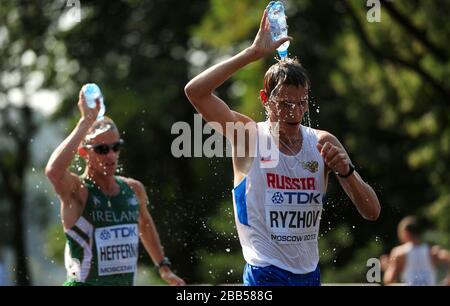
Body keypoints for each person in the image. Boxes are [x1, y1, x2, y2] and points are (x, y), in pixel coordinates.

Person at [184, 9, 381, 286]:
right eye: (285, 104)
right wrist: (252, 54)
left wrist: (346, 172)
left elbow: (371, 212)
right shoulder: (248, 136)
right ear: (265, 99)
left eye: (301, 103)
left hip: (310, 276)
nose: (294, 112)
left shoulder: (323, 142)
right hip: (264, 274)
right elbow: (195, 92)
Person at [45, 90, 185, 286]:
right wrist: (86, 121)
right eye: (102, 149)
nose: (111, 156)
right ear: (84, 153)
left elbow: (144, 223)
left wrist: (163, 267)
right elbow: (54, 171)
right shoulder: (79, 191)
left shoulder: (133, 189)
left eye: (115, 147)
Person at [381, 216, 450, 286]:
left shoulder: (399, 253)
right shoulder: (432, 252)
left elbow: (389, 280)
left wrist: (387, 268)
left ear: (405, 232)